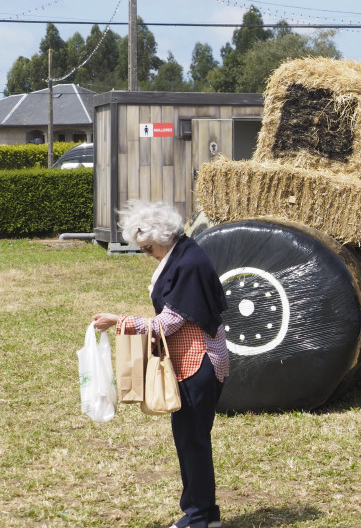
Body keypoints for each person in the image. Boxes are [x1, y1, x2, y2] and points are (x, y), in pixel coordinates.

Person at [92, 200, 229, 528]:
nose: (147, 254)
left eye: (147, 248)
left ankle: (197, 517)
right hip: (195, 360)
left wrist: (120, 320)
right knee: (192, 440)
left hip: (200, 362)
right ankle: (206, 515)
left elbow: (168, 323)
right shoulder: (183, 253)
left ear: (161, 238)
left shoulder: (189, 263)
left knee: (192, 440)